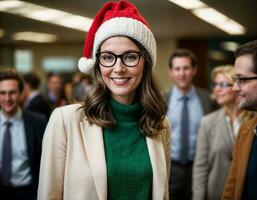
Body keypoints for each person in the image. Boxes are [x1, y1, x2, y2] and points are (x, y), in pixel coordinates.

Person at [38, 1, 171, 200]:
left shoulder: (160, 124)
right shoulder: (66, 121)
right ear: (98, 64)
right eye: (108, 57)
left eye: (130, 57)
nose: (118, 68)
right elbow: (49, 195)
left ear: (146, 63)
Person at [192, 65, 254, 200]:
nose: (217, 89)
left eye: (224, 84)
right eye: (215, 84)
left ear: (238, 86)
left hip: (246, 193)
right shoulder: (207, 122)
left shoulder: (252, 121)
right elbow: (200, 168)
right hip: (215, 193)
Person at [166, 48, 215, 200]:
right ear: (171, 72)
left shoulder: (208, 100)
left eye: (186, 68)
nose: (182, 73)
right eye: (177, 69)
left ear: (194, 70)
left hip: (200, 167)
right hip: (170, 168)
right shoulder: (161, 100)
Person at [0, 69, 47, 200]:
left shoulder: (38, 122)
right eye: (2, 93)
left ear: (21, 93)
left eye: (12, 93)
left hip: (28, 193)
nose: (7, 98)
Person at [222, 40, 257, 200]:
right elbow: (230, 190)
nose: (235, 87)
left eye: (242, 79)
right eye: (235, 79)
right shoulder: (245, 131)